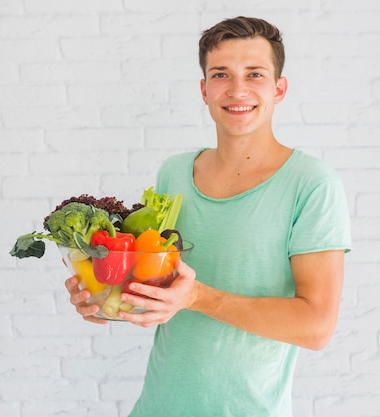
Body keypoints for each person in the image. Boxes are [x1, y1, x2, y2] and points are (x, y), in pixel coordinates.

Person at [65, 16, 351, 417]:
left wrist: (197, 297)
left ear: (279, 88)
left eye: (255, 74)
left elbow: (316, 326)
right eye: (221, 74)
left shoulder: (311, 184)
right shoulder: (174, 173)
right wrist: (105, 295)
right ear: (203, 89)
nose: (237, 90)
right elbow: (160, 290)